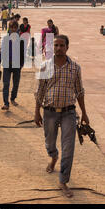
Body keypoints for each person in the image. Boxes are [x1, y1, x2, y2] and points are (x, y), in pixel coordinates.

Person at [34, 35, 90, 198]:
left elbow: (79, 91)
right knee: (50, 142)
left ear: (67, 47)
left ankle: (63, 180)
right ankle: (53, 156)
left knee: (69, 148)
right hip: (50, 111)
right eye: (56, 45)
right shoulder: (45, 67)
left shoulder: (75, 68)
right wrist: (37, 111)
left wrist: (85, 113)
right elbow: (40, 92)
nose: (59, 48)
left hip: (69, 112)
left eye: (62, 45)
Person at [0, 21, 25, 110]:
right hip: (7, 64)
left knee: (16, 84)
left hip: (17, 65)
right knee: (6, 84)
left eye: (15, 28)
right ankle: (6, 103)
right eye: (12, 28)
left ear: (17, 29)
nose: (13, 30)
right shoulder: (5, 39)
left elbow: (23, 53)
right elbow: (2, 52)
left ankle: (13, 98)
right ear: (9, 28)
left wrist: (21, 65)